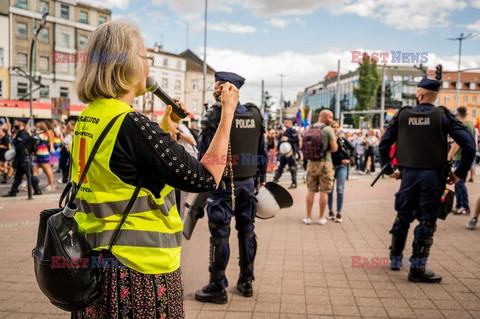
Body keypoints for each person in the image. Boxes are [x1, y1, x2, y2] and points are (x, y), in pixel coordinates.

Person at [70, 20, 239, 318]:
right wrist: (227, 116)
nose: (149, 66)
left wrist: (164, 130)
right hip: (138, 273)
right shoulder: (131, 123)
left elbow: (126, 171)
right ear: (126, 65)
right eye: (145, 57)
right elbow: (204, 178)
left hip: (96, 264)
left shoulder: (91, 117)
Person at [379, 78, 475, 283]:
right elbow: (469, 145)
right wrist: (459, 173)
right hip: (433, 177)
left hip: (408, 176)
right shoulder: (443, 116)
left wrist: (390, 170)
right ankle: (417, 270)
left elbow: (384, 144)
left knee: (402, 217)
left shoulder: (403, 114)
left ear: (420, 95)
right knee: (427, 221)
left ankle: (395, 260)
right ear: (434, 96)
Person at [195, 71, 267, 304]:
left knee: (220, 234)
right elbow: (261, 150)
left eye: (217, 87)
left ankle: (217, 286)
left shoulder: (215, 115)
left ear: (224, 90)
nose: (216, 91)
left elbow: (204, 152)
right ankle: (246, 281)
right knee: (247, 231)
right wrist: (260, 177)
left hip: (223, 186)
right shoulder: (255, 114)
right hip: (248, 184)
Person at [303, 110, 338, 225]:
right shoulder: (328, 129)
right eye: (330, 117)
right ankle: (321, 217)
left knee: (310, 191)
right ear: (323, 117)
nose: (332, 119)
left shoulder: (309, 128)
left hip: (311, 163)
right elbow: (334, 149)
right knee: (324, 192)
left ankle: (308, 217)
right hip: (325, 163)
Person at [2, 119, 42, 197]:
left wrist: (14, 142)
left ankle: (37, 190)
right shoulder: (20, 133)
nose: (15, 123)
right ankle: (13, 191)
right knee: (18, 176)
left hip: (24, 158)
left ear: (21, 123)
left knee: (29, 175)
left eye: (16, 122)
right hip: (21, 158)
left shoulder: (23, 134)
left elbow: (18, 146)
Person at [448, 106, 475, 215]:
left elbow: (458, 143)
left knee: (459, 182)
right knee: (458, 183)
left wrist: (449, 155)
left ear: (458, 114)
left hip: (460, 158)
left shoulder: (463, 126)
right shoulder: (470, 125)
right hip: (462, 158)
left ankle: (464, 206)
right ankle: (459, 204)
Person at [327, 121, 354, 223]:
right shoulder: (328, 140)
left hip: (342, 166)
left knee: (340, 190)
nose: (335, 129)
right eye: (333, 127)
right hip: (330, 167)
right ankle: (330, 211)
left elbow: (353, 148)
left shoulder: (342, 139)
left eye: (337, 127)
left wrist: (350, 160)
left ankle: (339, 213)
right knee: (329, 190)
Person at [272, 119, 299, 189]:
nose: (284, 124)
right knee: (280, 167)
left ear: (290, 123)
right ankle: (275, 180)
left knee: (292, 168)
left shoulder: (293, 131)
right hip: (283, 153)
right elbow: (281, 141)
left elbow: (296, 140)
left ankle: (294, 183)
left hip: (291, 152)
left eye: (286, 123)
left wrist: (288, 140)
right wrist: (278, 149)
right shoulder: (285, 132)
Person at [33, 121, 56, 191]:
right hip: (41, 154)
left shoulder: (43, 135)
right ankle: (34, 184)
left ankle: (52, 185)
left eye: (37, 127)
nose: (36, 128)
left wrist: (36, 131)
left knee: (47, 169)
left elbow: (35, 137)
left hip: (43, 154)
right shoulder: (44, 134)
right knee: (35, 168)